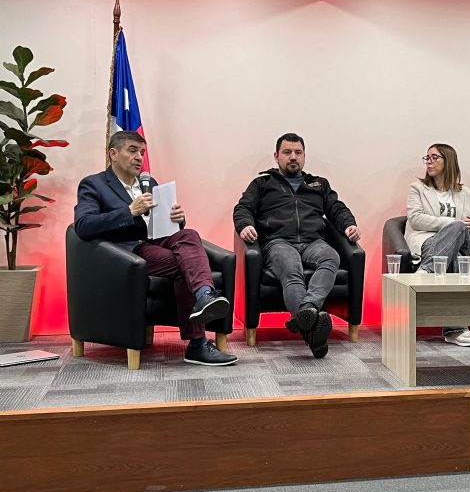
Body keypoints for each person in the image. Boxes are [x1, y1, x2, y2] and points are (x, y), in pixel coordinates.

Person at [74, 131, 237, 366]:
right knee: (185, 267)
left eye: (141, 152)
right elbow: (83, 225)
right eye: (132, 150)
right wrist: (129, 211)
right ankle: (198, 344)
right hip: (123, 253)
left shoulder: (149, 184)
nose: (139, 157)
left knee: (189, 234)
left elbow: (163, 227)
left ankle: (204, 296)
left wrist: (176, 219)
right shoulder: (94, 184)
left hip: (155, 243)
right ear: (113, 154)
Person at [233, 133, 360, 359]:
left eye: (298, 153)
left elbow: (337, 209)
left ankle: (307, 310)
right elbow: (243, 208)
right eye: (287, 152)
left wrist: (349, 225)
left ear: (304, 156)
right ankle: (312, 329)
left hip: (313, 241)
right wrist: (244, 226)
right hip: (278, 242)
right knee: (292, 269)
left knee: (331, 256)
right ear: (276, 156)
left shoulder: (319, 184)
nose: (293, 157)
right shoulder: (262, 184)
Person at [405, 143, 470, 347]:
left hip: (457, 244)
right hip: (428, 242)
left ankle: (425, 273)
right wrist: (455, 224)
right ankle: (455, 328)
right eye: (426, 158)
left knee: (457, 236)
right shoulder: (418, 189)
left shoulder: (464, 193)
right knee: (456, 251)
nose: (428, 162)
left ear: (449, 161)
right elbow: (415, 219)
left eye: (434, 157)